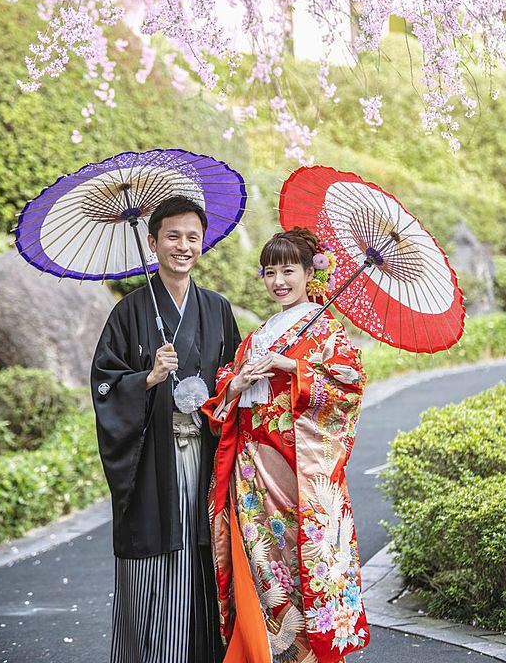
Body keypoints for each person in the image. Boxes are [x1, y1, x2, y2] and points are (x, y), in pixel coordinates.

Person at [202, 227, 370, 663]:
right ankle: (267, 653)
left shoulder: (326, 329)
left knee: (303, 562)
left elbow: (349, 386)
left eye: (288, 271)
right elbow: (226, 393)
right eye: (270, 272)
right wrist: (237, 382)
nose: (278, 281)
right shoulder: (260, 333)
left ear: (309, 274)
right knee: (263, 567)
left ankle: (309, 656)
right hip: (250, 473)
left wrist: (292, 366)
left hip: (297, 472)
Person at [91, 195, 241, 663]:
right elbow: (104, 385)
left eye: (193, 237)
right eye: (172, 236)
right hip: (153, 460)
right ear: (153, 242)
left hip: (205, 457)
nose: (183, 246)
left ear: (203, 244)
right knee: (155, 569)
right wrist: (148, 378)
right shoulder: (129, 312)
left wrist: (237, 385)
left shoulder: (217, 308)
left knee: (205, 559)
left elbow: (231, 379)